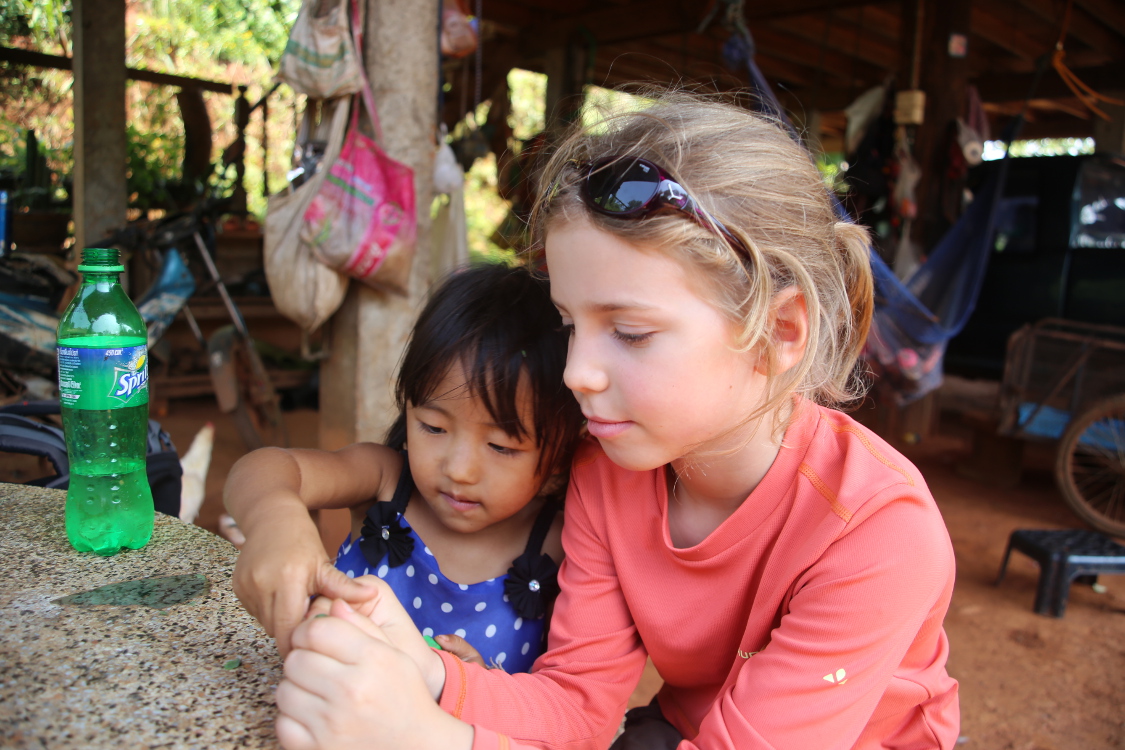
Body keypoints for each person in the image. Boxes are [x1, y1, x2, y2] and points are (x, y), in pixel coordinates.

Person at [264, 93, 961, 750]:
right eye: (570, 324)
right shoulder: (609, 471)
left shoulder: (876, 533)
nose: (574, 373)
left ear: (779, 332)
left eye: (628, 333)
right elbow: (576, 706)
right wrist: (425, 670)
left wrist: (431, 737)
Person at [224, 262, 585, 674]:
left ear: (556, 459)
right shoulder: (384, 480)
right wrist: (276, 520)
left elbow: (565, 700)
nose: (460, 470)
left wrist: (479, 687)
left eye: (501, 446)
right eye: (433, 427)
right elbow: (263, 468)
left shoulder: (560, 547)